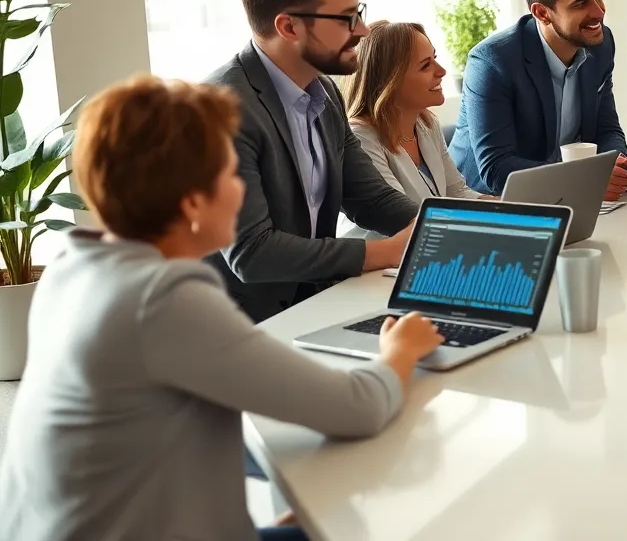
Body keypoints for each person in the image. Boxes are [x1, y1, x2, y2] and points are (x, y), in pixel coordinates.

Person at [0, 76, 445, 541]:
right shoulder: (163, 299)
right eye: (235, 175)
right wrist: (399, 351)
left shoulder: (75, 265)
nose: (248, 194)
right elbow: (359, 408)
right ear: (194, 202)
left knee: (339, 513)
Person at [204, 0, 420, 323]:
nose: (363, 31)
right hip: (239, 325)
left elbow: (369, 198)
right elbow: (252, 253)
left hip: (314, 305)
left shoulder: (324, 92)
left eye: (359, 13)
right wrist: (385, 252)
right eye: (345, 19)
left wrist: (454, 225)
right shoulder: (222, 108)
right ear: (288, 27)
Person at [448, 0, 627, 200]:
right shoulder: (492, 61)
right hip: (487, 202)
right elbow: (496, 169)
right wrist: (586, 178)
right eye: (581, 3)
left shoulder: (600, 44)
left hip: (563, 195)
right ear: (542, 13)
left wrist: (619, 164)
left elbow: (606, 129)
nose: (599, 12)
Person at [340, 20, 490, 237]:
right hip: (380, 261)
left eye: (435, 59)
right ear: (389, 81)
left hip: (426, 244)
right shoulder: (360, 139)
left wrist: (507, 207)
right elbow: (397, 218)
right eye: (425, 65)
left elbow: (456, 192)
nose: (442, 71)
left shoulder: (426, 124)